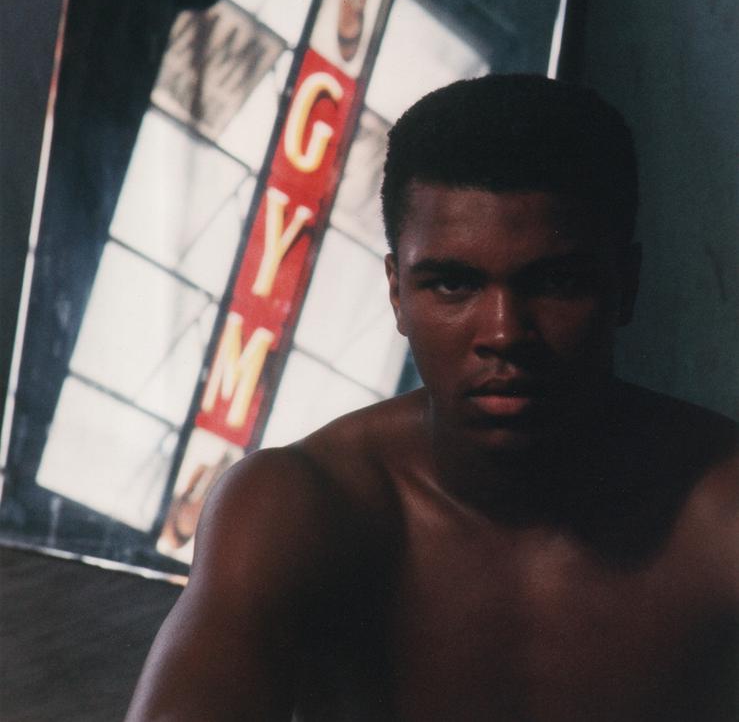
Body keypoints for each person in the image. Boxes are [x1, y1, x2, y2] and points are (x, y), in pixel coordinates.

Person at [125, 74, 738, 722]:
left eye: (556, 281)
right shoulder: (302, 506)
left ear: (626, 286)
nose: (504, 333)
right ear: (396, 292)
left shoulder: (718, 510)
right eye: (452, 284)